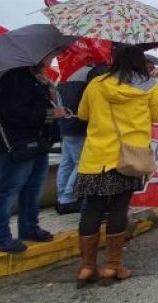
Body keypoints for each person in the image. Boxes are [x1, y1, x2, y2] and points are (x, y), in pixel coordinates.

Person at [74, 45, 158, 285]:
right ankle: (113, 266)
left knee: (92, 209)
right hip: (128, 158)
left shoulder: (96, 84)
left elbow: (83, 114)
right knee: (118, 209)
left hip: (96, 157)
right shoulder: (149, 87)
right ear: (139, 61)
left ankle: (87, 267)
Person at [0, 55, 66, 253]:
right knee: (6, 190)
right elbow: (15, 113)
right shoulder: (15, 78)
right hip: (11, 146)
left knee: (32, 189)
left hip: (34, 144)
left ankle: (29, 228)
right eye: (49, 55)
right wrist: (51, 114)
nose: (52, 58)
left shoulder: (38, 80)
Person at [56, 64, 100, 214]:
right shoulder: (93, 74)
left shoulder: (71, 73)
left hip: (65, 124)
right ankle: (69, 198)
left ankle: (62, 196)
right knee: (80, 163)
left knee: (66, 163)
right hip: (79, 124)